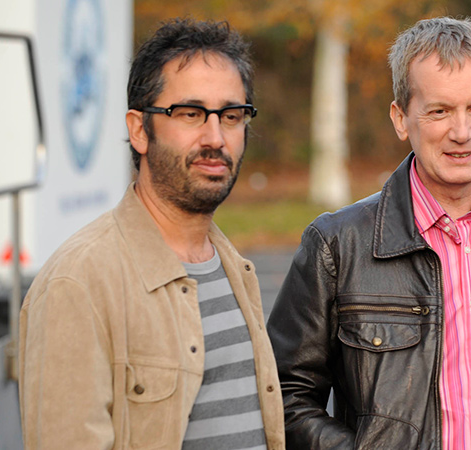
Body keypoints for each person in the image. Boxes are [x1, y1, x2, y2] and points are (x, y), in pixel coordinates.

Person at [267, 16, 471, 449]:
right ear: (400, 118)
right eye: (440, 110)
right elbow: (285, 395)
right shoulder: (338, 245)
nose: (462, 133)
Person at [19, 19, 284, 449]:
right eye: (190, 114)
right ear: (139, 129)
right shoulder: (79, 283)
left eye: (231, 116)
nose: (215, 137)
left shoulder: (234, 268)